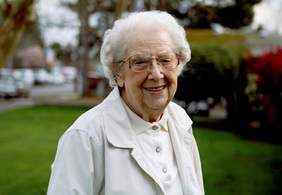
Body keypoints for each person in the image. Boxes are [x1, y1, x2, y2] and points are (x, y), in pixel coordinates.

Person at [47, 10, 205, 195]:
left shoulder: (181, 122)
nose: (156, 74)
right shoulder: (86, 137)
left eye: (165, 60)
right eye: (140, 62)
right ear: (118, 72)